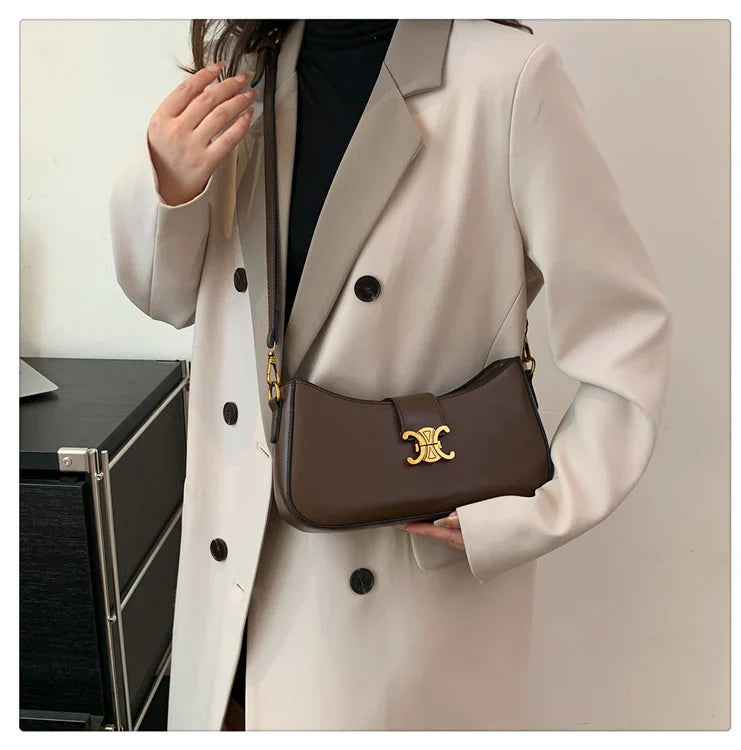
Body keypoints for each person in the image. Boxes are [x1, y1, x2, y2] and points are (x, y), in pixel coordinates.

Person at [109, 19, 672, 731]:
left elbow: (628, 336)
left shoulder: (506, 80)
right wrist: (168, 181)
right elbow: (165, 299)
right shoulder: (244, 67)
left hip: (389, 607)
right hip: (232, 586)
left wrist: (528, 515)